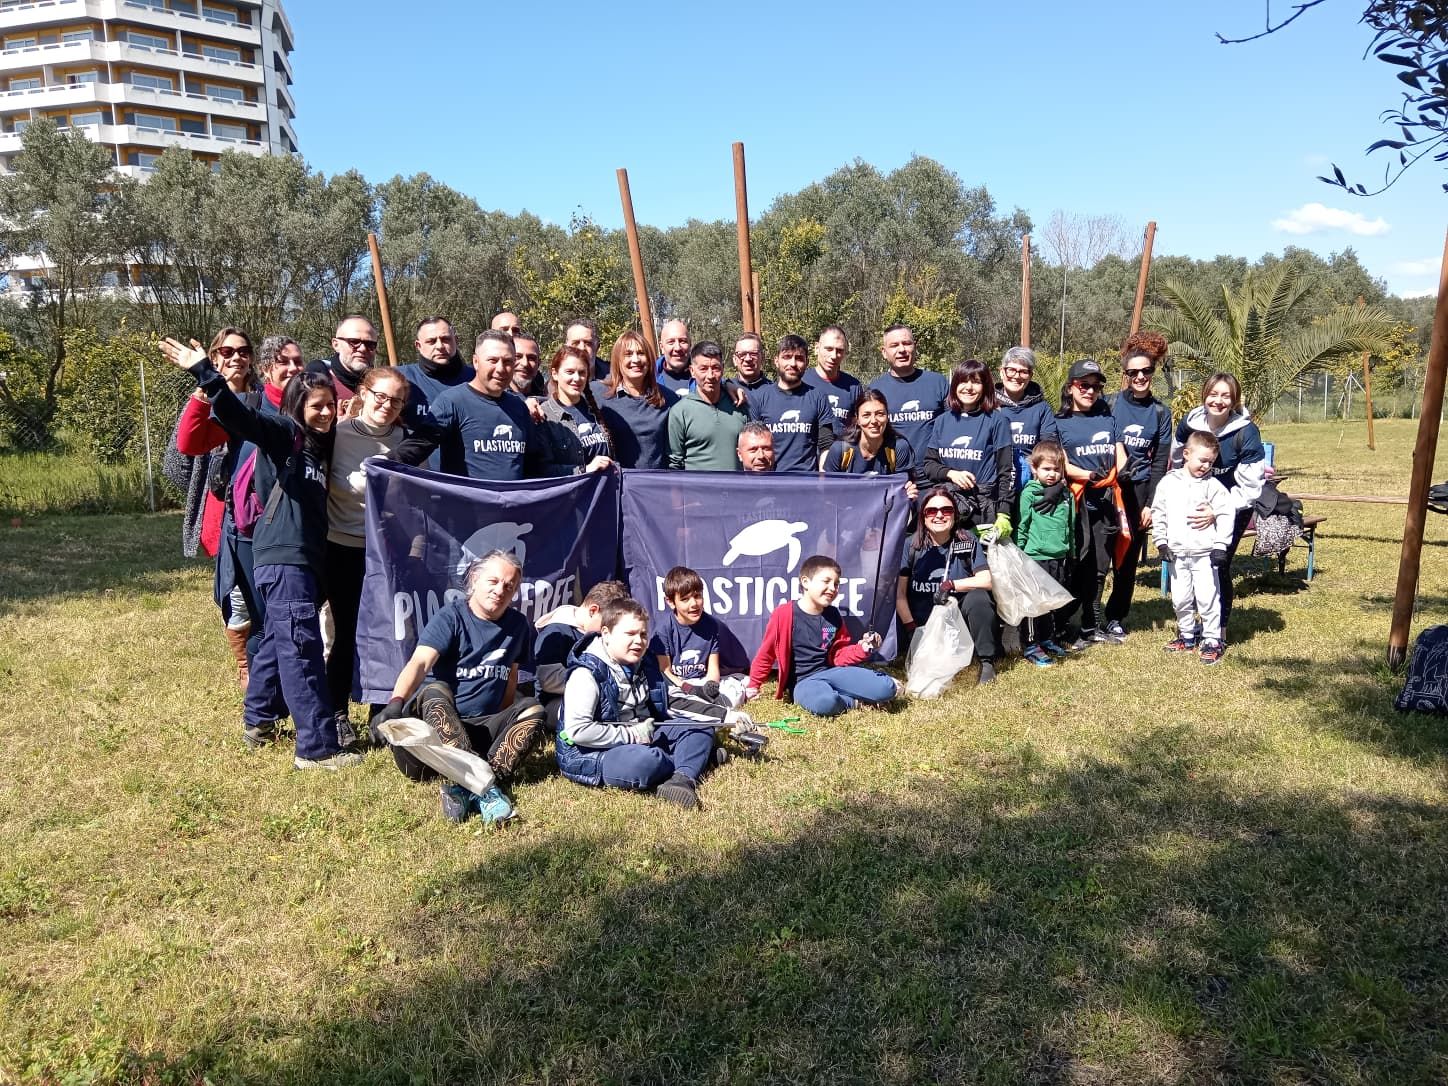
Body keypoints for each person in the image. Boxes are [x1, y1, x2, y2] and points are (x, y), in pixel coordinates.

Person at [160, 335, 362, 770]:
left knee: (278, 636)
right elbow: (235, 416)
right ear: (297, 407)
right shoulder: (282, 432)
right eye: (317, 406)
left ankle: (258, 718)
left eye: (330, 405)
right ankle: (316, 748)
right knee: (301, 648)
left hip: (307, 558)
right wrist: (205, 374)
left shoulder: (315, 443)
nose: (325, 412)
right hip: (283, 556)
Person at [372, 551, 548, 823]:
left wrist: (506, 724)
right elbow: (420, 663)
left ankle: (469, 787)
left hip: (482, 731)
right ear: (475, 580)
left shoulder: (518, 625)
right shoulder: (451, 616)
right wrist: (395, 703)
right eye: (493, 581)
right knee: (435, 690)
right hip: (433, 738)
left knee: (532, 708)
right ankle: (485, 788)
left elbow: (511, 679)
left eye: (509, 586)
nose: (500, 590)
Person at [325, 366, 435, 730]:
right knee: (346, 633)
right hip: (344, 548)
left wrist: (417, 548)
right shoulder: (337, 435)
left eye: (396, 400)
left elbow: (423, 500)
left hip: (393, 554)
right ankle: (337, 710)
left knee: (390, 634)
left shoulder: (408, 441)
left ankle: (383, 711)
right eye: (380, 396)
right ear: (363, 392)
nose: (386, 405)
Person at [556, 597, 716, 810]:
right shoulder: (585, 673)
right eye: (630, 634)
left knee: (702, 726)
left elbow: (672, 699)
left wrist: (727, 716)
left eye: (643, 634)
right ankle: (692, 758)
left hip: (645, 734)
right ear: (606, 634)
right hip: (594, 753)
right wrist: (633, 736)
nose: (639, 641)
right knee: (647, 762)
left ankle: (682, 779)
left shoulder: (645, 661)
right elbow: (579, 731)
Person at [170, 326, 258, 688]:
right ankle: (244, 665)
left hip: (262, 512)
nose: (235, 357)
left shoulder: (261, 399)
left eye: (243, 350)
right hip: (223, 513)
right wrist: (205, 485)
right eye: (226, 351)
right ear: (213, 356)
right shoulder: (202, 399)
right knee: (234, 593)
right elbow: (179, 457)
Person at [1170, 371, 1268, 641]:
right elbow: (1177, 458)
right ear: (1205, 395)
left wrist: (1218, 510)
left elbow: (1251, 487)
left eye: (1226, 396)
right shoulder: (1190, 422)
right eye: (1214, 394)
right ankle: (1189, 627)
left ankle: (1219, 630)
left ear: (1234, 400)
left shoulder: (1246, 432)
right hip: (1195, 504)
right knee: (1189, 561)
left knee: (1216, 565)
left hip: (1232, 508)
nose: (1218, 400)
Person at [747, 554, 902, 716]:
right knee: (826, 703)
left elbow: (839, 655)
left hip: (832, 673)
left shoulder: (833, 615)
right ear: (805, 582)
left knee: (887, 688)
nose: (832, 588)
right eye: (826, 581)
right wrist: (753, 686)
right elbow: (766, 654)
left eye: (836, 584)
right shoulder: (784, 614)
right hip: (804, 683)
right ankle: (856, 702)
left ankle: (860, 692)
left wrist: (863, 648)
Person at [1055, 359, 1129, 648]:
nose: (1089, 391)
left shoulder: (1107, 419)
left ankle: (1091, 625)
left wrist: (1123, 470)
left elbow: (1118, 453)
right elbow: (1059, 462)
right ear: (1071, 387)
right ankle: (1059, 623)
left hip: (1107, 501)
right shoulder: (1058, 422)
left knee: (1100, 565)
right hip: (1075, 503)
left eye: (1095, 386)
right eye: (1083, 385)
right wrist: (1086, 475)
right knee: (1075, 565)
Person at [1104, 331, 1173, 641]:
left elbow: (1160, 462)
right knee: (1097, 555)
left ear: (1152, 372)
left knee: (1128, 559)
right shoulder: (1109, 404)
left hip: (1140, 491)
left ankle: (1116, 616)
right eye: (1133, 372)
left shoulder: (1161, 413)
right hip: (1106, 489)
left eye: (1146, 371)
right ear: (1126, 375)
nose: (1140, 377)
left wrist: (1152, 504)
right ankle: (1088, 615)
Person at [895, 486, 1000, 685]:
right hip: (924, 624)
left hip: (956, 621)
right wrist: (911, 628)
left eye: (947, 510)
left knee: (979, 599)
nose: (939, 515)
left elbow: (986, 580)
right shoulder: (911, 544)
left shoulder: (967, 539)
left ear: (955, 515)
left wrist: (952, 584)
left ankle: (987, 661)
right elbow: (899, 593)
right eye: (932, 511)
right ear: (923, 516)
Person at [1153, 431, 1235, 665]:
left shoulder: (1214, 486)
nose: (1205, 466)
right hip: (1178, 554)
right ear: (1186, 454)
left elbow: (1227, 513)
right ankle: (1187, 635)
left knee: (1208, 598)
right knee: (1180, 598)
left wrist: (1220, 546)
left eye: (1210, 462)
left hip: (1204, 555)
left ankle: (1212, 639)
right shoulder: (1169, 482)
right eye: (1202, 460)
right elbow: (1159, 512)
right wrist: (1161, 542)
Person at [428, 330, 540, 480]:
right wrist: (387, 464)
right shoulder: (452, 401)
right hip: (467, 502)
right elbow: (419, 445)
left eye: (507, 362)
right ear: (476, 362)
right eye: (493, 361)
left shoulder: (519, 408)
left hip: (514, 501)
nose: (500, 369)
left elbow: (535, 465)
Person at [922, 358, 1015, 530]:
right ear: (955, 385)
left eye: (976, 382)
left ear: (985, 387)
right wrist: (951, 473)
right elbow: (929, 465)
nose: (969, 387)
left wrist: (1004, 513)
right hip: (947, 509)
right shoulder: (942, 421)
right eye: (963, 381)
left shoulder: (998, 421)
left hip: (983, 510)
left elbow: (1006, 471)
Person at [1015, 440, 1076, 667]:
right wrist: (1021, 555)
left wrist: (1072, 550)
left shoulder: (1066, 494)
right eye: (1046, 469)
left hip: (1059, 555)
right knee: (1035, 602)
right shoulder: (1030, 494)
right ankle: (1031, 643)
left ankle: (1047, 639)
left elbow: (1070, 524)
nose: (1051, 474)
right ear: (1034, 469)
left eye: (1056, 469)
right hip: (1035, 556)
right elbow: (1023, 524)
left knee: (1051, 602)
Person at [534, 579, 631, 722]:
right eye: (607, 624)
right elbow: (548, 680)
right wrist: (597, 680)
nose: (608, 631)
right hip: (556, 703)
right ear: (593, 611)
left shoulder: (597, 635)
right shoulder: (556, 632)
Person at [747, 334, 836, 472]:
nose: (793, 364)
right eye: (787, 357)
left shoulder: (818, 397)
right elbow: (752, 445)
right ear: (776, 361)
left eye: (799, 358)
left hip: (807, 484)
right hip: (771, 483)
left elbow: (826, 445)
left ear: (806, 362)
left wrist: (823, 481)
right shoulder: (760, 397)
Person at [592, 329, 678, 469]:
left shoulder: (668, 398)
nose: (636, 360)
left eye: (641, 353)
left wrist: (726, 385)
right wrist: (541, 404)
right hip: (616, 486)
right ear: (617, 360)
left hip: (657, 485)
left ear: (650, 359)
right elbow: (564, 400)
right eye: (628, 354)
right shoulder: (596, 393)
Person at [821, 389, 918, 499]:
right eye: (866, 415)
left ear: (887, 417)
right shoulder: (840, 449)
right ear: (857, 419)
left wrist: (910, 493)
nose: (874, 421)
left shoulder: (898, 447)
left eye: (880, 414)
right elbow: (828, 493)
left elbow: (904, 491)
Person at [868, 324, 947, 456]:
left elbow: (954, 425)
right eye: (894, 345)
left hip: (933, 472)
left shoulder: (938, 383)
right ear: (884, 352)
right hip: (893, 472)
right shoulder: (875, 390)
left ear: (915, 347)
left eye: (906, 343)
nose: (902, 350)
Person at [535, 345, 614, 476]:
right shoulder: (544, 416)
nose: (577, 378)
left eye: (582, 372)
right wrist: (585, 470)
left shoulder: (596, 411)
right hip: (572, 494)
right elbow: (541, 471)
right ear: (555, 374)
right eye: (570, 372)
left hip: (605, 492)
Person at [668, 341, 747, 470]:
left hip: (735, 489)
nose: (710, 376)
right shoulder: (680, 412)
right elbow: (675, 465)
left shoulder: (739, 404)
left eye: (715, 368)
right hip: (697, 490)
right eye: (703, 369)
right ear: (692, 371)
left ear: (722, 369)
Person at [996, 346, 1059, 498]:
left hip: (1032, 482)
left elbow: (1049, 444)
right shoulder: (989, 405)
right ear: (1001, 371)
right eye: (1011, 370)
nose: (1017, 376)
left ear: (1030, 375)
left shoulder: (1041, 408)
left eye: (1023, 371)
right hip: (997, 482)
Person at [398, 315, 472, 430]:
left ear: (456, 341)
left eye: (446, 339)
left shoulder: (476, 378)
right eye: (431, 341)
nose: (440, 346)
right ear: (418, 346)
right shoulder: (400, 378)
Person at [308, 315, 378, 412]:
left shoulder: (380, 385)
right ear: (336, 345)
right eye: (354, 342)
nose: (362, 349)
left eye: (370, 344)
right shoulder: (315, 380)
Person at [802, 325, 862, 428]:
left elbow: (859, 427)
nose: (834, 356)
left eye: (839, 350)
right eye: (829, 349)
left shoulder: (853, 387)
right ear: (817, 348)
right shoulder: (802, 382)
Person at [656, 318, 693, 393]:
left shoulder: (706, 377)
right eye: (671, 342)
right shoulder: (649, 380)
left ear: (690, 345)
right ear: (662, 347)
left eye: (683, 341)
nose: (678, 348)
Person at [509, 332, 547, 397]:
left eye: (531, 358)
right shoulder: (493, 398)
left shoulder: (547, 402)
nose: (525, 363)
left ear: (538, 364)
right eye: (517, 357)